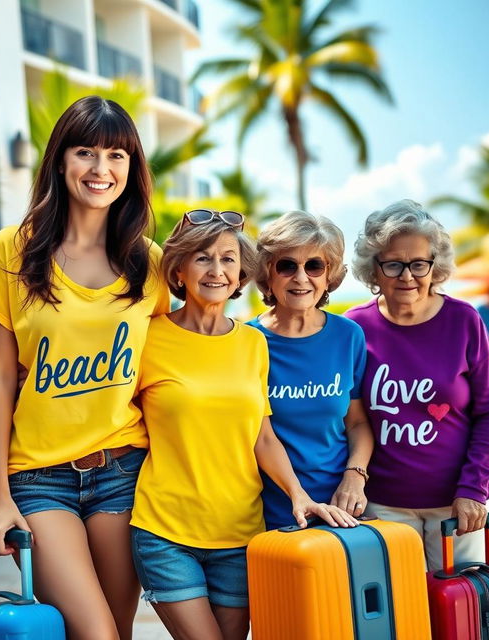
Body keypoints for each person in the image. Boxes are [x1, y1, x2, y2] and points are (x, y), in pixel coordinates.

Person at [0, 96, 169, 640]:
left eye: (116, 156)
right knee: (94, 633)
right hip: (37, 478)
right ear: (60, 160)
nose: (101, 170)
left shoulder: (148, 262)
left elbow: (168, 370)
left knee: (117, 632)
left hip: (124, 474)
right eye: (86, 153)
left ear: (132, 168)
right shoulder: (12, 250)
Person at [130, 209, 359, 640]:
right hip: (164, 530)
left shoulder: (252, 342)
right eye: (202, 257)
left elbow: (263, 435)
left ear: (241, 274)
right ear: (178, 269)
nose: (216, 270)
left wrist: (298, 496)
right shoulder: (147, 336)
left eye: (228, 259)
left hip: (240, 533)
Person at [346, 199, 489, 571]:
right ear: (374, 268)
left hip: (457, 506)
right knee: (398, 620)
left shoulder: (463, 321)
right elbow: (349, 417)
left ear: (434, 266)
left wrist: (474, 489)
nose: (407, 276)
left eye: (419, 264)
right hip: (381, 506)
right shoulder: (355, 328)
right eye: (394, 264)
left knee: (461, 617)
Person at [249, 210, 374, 530]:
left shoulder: (348, 336)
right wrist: (297, 495)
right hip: (270, 513)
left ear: (329, 274)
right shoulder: (247, 342)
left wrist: (354, 476)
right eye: (287, 265)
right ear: (268, 273)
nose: (301, 277)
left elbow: (358, 422)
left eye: (314, 266)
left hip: (342, 509)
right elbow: (255, 436)